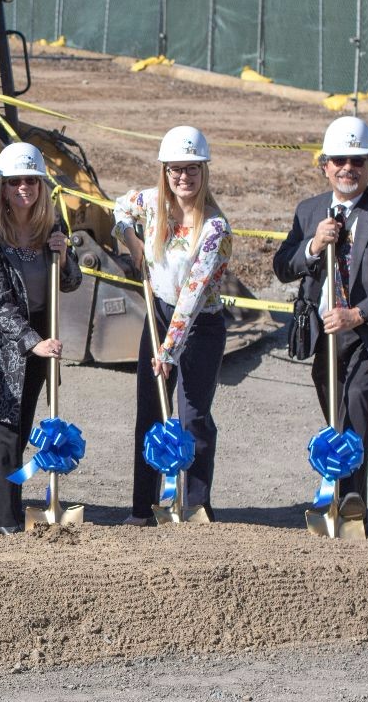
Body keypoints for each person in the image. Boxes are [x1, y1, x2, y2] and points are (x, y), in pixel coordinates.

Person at [273, 116, 368, 525]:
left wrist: (357, 314)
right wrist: (314, 245)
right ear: (324, 165)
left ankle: (352, 499)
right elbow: (283, 266)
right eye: (339, 160)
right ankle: (336, 493)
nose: (347, 169)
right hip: (325, 336)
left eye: (357, 161)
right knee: (335, 412)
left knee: (356, 399)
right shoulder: (309, 212)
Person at [113, 126, 231, 525]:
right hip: (158, 311)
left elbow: (194, 295)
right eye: (176, 169)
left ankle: (195, 504)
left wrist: (169, 350)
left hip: (200, 325)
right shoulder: (149, 203)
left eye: (192, 169)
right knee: (149, 410)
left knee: (192, 414)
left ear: (204, 171)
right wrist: (132, 243)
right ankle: (142, 508)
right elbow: (118, 209)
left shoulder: (215, 229)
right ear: (164, 171)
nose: (184, 177)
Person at [0, 143, 80, 535]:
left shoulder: (52, 231)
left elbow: (71, 283)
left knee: (22, 433)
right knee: (5, 437)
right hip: (2, 351)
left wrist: (64, 258)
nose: (24, 188)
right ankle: (2, 520)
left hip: (37, 345)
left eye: (31, 180)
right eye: (15, 182)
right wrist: (34, 342)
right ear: (3, 188)